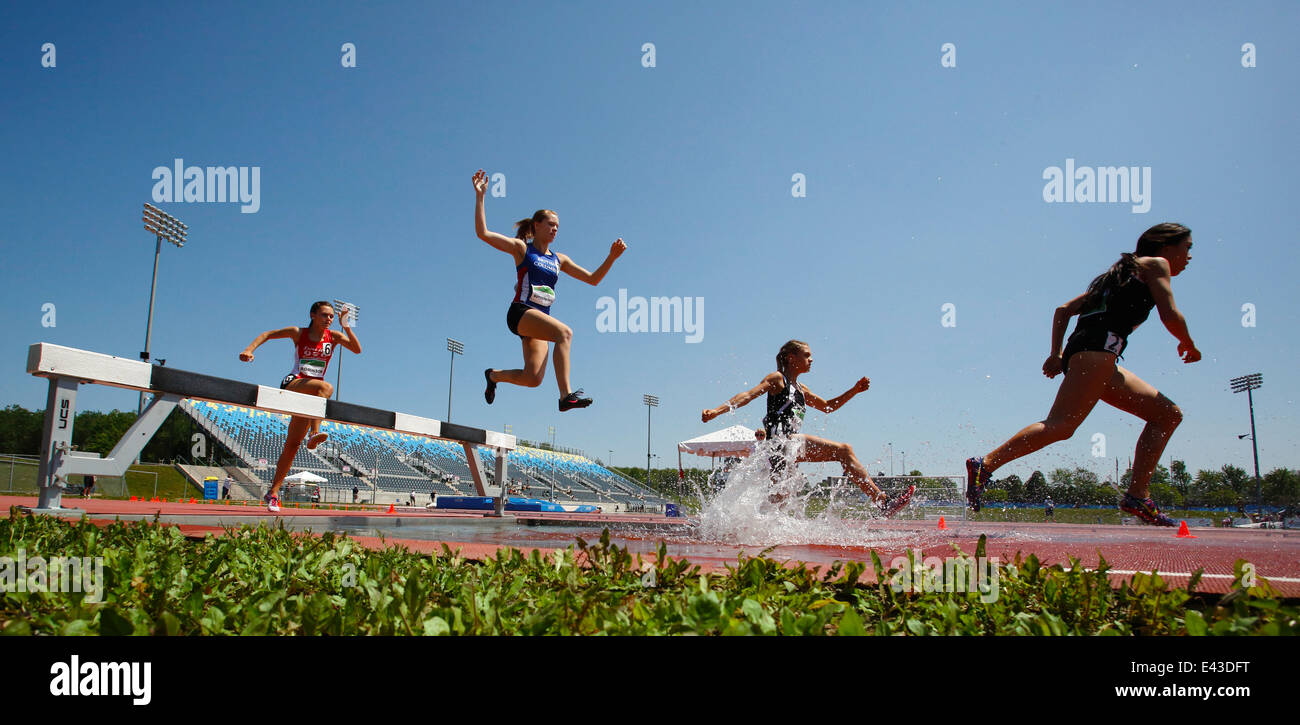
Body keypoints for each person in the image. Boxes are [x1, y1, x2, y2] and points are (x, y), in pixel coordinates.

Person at [965, 223, 1199, 526]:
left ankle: (1138, 496)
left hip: (1095, 356)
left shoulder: (1116, 276)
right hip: (1097, 354)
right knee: (1061, 426)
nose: (1189, 256)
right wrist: (1188, 343)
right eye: (1187, 247)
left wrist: (1058, 354)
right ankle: (986, 465)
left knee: (1167, 414)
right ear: (1166, 246)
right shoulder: (1156, 264)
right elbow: (1170, 313)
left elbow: (1063, 310)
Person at [701, 340, 914, 517]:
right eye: (807, 355)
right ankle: (883, 502)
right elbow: (748, 395)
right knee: (842, 452)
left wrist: (854, 390)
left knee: (779, 500)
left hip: (788, 449)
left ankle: (743, 525)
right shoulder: (778, 379)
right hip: (780, 444)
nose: (811, 359)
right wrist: (717, 411)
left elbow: (828, 407)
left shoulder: (802, 389)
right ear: (791, 358)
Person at [473, 170, 626, 412]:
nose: (555, 229)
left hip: (539, 322)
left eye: (558, 226)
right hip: (520, 312)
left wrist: (611, 258)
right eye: (550, 224)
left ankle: (493, 376)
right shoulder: (521, 249)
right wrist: (481, 197)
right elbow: (483, 233)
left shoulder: (559, 259)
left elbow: (593, 279)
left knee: (533, 378)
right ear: (537, 225)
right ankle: (566, 395)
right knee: (564, 333)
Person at [240, 301, 361, 513]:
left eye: (332, 316)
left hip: (312, 397)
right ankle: (315, 433)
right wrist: (249, 349)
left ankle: (273, 493)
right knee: (326, 387)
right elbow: (268, 334)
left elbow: (357, 350)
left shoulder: (333, 337)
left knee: (293, 444)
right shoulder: (298, 333)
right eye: (325, 315)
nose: (329, 319)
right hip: (294, 383)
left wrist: (346, 326)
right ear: (313, 315)